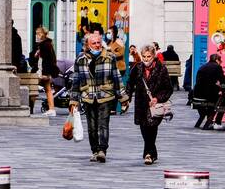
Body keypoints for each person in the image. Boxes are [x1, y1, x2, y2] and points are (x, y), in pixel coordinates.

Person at [69, 29, 122, 163]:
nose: (97, 45)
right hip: (88, 96)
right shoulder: (80, 59)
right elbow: (76, 80)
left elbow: (117, 78)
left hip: (105, 95)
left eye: (99, 42)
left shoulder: (110, 57)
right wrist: (73, 100)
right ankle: (94, 150)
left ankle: (102, 150)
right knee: (92, 127)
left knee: (103, 124)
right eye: (94, 43)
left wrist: (123, 97)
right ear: (87, 45)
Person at [127, 43, 173, 165]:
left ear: (153, 56)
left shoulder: (161, 68)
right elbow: (130, 83)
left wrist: (157, 98)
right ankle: (152, 153)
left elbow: (168, 88)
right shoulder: (137, 68)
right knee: (143, 129)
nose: (146, 59)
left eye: (149, 56)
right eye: (144, 56)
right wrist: (127, 97)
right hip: (141, 103)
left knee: (152, 129)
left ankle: (148, 154)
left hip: (154, 105)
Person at [29, 26, 59, 116]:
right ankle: (51, 109)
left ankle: (31, 108)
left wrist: (45, 73)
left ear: (43, 34)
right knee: (48, 89)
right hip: (43, 71)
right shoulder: (44, 44)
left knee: (32, 87)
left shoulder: (45, 45)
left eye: (39, 33)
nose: (37, 35)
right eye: (36, 34)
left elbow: (47, 60)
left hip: (42, 71)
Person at [192, 52, 225, 129]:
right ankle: (217, 123)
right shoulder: (217, 67)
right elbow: (223, 80)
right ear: (217, 60)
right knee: (223, 102)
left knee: (219, 100)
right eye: (220, 60)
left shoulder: (202, 67)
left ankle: (210, 122)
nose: (221, 62)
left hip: (196, 95)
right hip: (206, 96)